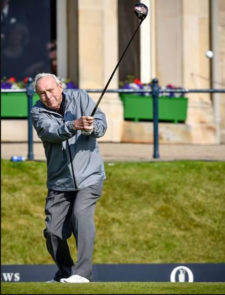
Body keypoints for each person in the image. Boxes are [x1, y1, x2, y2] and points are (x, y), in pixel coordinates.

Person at [31, 73, 107, 283]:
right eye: (42, 93)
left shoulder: (80, 98)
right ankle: (64, 273)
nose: (48, 96)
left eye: (50, 90)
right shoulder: (37, 112)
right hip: (59, 182)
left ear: (60, 86)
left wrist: (92, 128)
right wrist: (74, 125)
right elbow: (51, 132)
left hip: (89, 176)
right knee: (52, 232)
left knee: (80, 216)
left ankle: (82, 274)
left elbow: (101, 122)